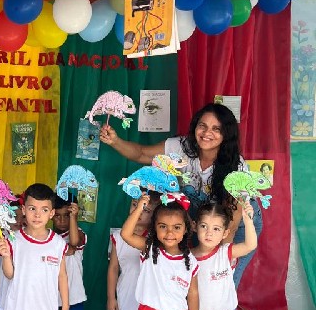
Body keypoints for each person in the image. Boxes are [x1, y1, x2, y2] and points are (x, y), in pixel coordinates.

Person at [99, 102, 263, 275]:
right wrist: (115, 141)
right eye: (203, 126)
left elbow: (232, 221)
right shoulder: (180, 147)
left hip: (237, 224)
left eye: (216, 129)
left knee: (218, 278)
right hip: (201, 221)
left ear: (226, 134)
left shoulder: (236, 167)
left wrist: (217, 260)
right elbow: (141, 153)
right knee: (192, 276)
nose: (207, 133)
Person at [52, 196, 86, 310]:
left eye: (67, 215)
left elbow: (73, 242)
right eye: (58, 216)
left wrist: (74, 218)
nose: (62, 220)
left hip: (75, 296)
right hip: (52, 297)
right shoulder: (48, 237)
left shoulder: (79, 233)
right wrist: (65, 251)